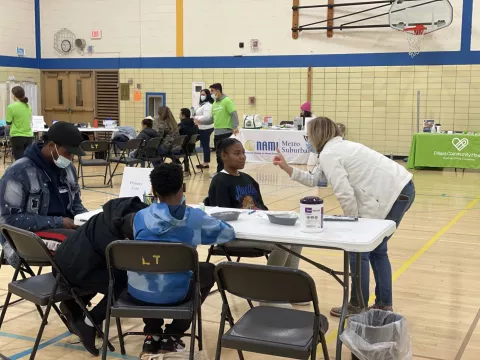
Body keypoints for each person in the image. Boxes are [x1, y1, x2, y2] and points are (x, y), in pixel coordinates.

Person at [273, 116, 415, 316]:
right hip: (402, 188)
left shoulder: (331, 153)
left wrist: (354, 224)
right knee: (377, 250)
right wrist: (287, 168)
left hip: (393, 193)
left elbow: (344, 193)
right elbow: (315, 180)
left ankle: (358, 304)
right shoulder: (333, 150)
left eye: (308, 135)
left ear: (317, 135)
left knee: (359, 251)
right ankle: (383, 303)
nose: (308, 140)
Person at [129, 163, 235, 355]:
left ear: (153, 190)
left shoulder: (139, 216)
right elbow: (227, 233)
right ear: (182, 187)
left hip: (139, 292)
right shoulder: (193, 217)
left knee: (151, 269)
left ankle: (152, 333)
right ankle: (174, 333)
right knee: (209, 270)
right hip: (176, 293)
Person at [55, 196, 147, 356]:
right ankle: (90, 323)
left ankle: (74, 304)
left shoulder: (115, 211)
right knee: (128, 284)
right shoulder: (113, 241)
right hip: (72, 270)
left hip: (61, 260)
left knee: (104, 268)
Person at [208, 138, 304, 291]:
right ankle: (269, 291)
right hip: (234, 236)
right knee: (281, 244)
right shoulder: (219, 181)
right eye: (237, 153)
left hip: (257, 229)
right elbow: (222, 216)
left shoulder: (248, 179)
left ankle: (290, 287)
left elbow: (261, 208)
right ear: (223, 156)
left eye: (243, 153)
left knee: (296, 238)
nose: (242, 157)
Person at [0, 121, 88, 267]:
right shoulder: (19, 172)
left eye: (73, 155)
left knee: (100, 237)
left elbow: (76, 205)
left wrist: (87, 220)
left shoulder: (68, 169)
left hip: (64, 229)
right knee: (80, 246)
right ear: (52, 146)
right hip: (26, 238)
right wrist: (59, 221)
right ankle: (72, 287)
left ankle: (82, 287)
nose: (71, 159)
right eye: (67, 153)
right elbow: (7, 220)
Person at [195, 83, 238, 176]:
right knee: (219, 155)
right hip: (217, 132)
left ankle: (229, 172)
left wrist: (235, 127)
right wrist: (201, 122)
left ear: (218, 91)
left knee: (227, 154)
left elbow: (234, 114)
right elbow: (212, 119)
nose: (211, 93)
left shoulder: (227, 100)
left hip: (226, 132)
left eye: (212, 91)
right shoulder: (214, 104)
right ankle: (220, 172)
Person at [6, 86, 34, 160]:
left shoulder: (11, 107)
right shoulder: (28, 106)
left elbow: (8, 122)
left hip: (17, 136)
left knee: (19, 160)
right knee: (27, 160)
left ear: (14, 96)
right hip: (29, 136)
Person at [193, 89, 214, 169]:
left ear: (207, 95)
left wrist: (196, 118)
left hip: (206, 127)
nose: (202, 96)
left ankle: (206, 163)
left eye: (204, 94)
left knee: (205, 145)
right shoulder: (203, 104)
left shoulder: (208, 105)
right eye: (201, 94)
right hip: (202, 127)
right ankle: (205, 162)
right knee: (205, 145)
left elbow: (207, 117)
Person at [178, 108, 199, 176]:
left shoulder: (180, 125)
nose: (179, 116)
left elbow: (175, 137)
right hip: (192, 148)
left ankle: (178, 167)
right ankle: (185, 169)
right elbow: (198, 136)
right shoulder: (195, 125)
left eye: (180, 114)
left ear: (183, 115)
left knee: (170, 151)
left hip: (183, 149)